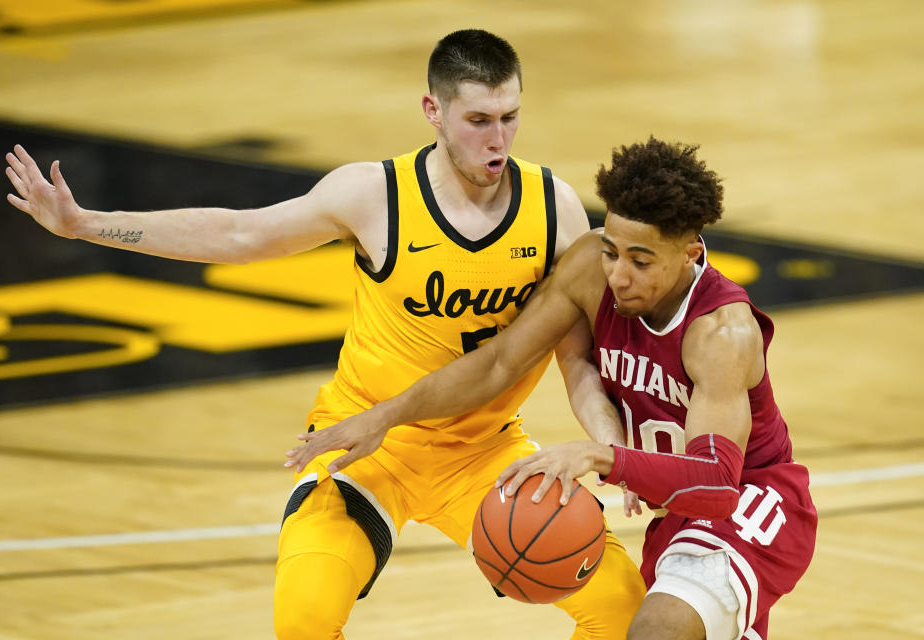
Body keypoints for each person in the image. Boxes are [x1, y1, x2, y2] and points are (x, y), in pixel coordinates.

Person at [5, 29, 645, 639]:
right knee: (303, 620)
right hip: (367, 441)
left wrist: (616, 451)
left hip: (485, 452)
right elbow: (239, 236)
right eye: (479, 121)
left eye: (510, 117)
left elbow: (576, 357)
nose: (497, 139)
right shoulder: (377, 194)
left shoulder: (551, 205)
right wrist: (87, 224)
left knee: (621, 603)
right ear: (434, 110)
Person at [288, 137, 818, 640]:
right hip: (674, 509)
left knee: (655, 628)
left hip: (751, 501)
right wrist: (385, 415)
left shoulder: (723, 333)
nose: (619, 276)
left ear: (689, 254)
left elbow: (717, 485)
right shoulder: (590, 267)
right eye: (613, 251)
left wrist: (605, 457)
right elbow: (497, 362)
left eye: (641, 261)